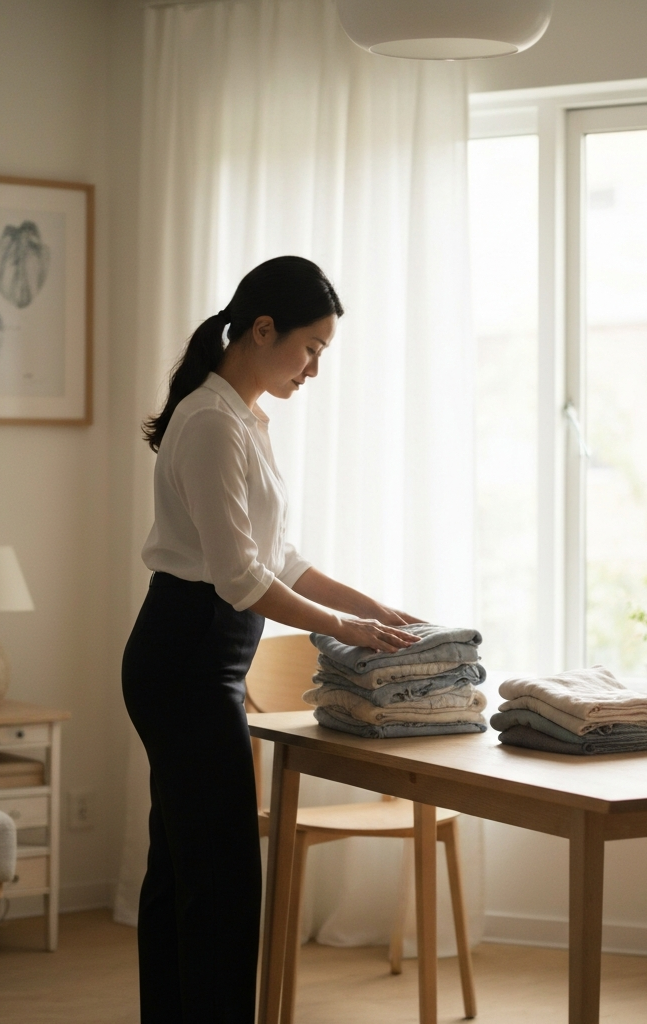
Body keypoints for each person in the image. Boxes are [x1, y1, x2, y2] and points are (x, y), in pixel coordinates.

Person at [122, 255, 421, 1023]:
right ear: (263, 330)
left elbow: (279, 558)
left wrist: (374, 608)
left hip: (201, 658)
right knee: (221, 877)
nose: (314, 368)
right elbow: (240, 579)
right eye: (310, 348)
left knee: (184, 868)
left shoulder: (244, 419)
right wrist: (345, 628)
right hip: (187, 659)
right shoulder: (210, 423)